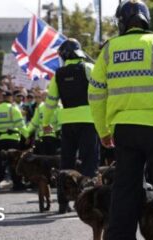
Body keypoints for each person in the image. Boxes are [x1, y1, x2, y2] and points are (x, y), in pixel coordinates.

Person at [88, 1, 153, 239]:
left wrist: (103, 130)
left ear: (122, 23)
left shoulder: (109, 49)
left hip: (125, 130)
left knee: (125, 190)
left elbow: (95, 94)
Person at [43, 38, 100, 214]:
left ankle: (62, 202)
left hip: (67, 123)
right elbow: (101, 93)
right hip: (89, 121)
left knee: (66, 163)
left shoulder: (58, 74)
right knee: (89, 162)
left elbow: (50, 102)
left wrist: (46, 123)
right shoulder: (89, 68)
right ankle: (88, 201)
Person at [0, 90, 28, 192]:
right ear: (10, 98)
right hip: (13, 140)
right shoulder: (14, 109)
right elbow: (21, 125)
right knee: (14, 162)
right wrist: (27, 136)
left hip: (0, 140)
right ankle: (17, 184)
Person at [26, 90, 60, 155]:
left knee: (43, 160)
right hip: (51, 138)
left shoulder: (40, 108)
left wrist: (26, 134)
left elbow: (33, 124)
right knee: (51, 160)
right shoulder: (57, 106)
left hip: (43, 138)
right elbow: (34, 123)